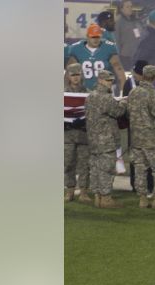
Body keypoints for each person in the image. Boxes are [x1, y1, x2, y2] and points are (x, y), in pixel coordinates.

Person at [125, 64, 155, 209]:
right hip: (151, 138)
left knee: (140, 168)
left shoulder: (133, 92)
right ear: (153, 77)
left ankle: (142, 199)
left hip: (136, 138)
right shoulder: (152, 93)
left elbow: (128, 113)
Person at [82, 68, 125, 208]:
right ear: (100, 80)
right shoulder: (106, 97)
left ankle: (97, 196)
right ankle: (106, 198)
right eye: (107, 80)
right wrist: (123, 103)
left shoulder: (90, 96)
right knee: (106, 168)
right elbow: (117, 112)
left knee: (95, 168)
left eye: (111, 81)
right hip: (106, 139)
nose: (110, 83)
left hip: (93, 138)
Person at [65, 22, 126, 92]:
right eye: (93, 37)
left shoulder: (109, 48)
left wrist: (122, 91)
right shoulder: (76, 49)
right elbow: (68, 73)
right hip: (82, 91)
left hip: (104, 92)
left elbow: (119, 69)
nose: (96, 39)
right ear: (87, 36)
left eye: (98, 37)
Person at [64, 64, 91, 204]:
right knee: (68, 163)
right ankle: (69, 191)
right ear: (68, 76)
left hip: (83, 134)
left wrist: (83, 120)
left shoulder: (87, 92)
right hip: (67, 135)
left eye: (78, 75)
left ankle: (84, 192)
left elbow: (93, 112)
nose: (76, 78)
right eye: (73, 75)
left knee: (84, 164)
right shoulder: (63, 92)